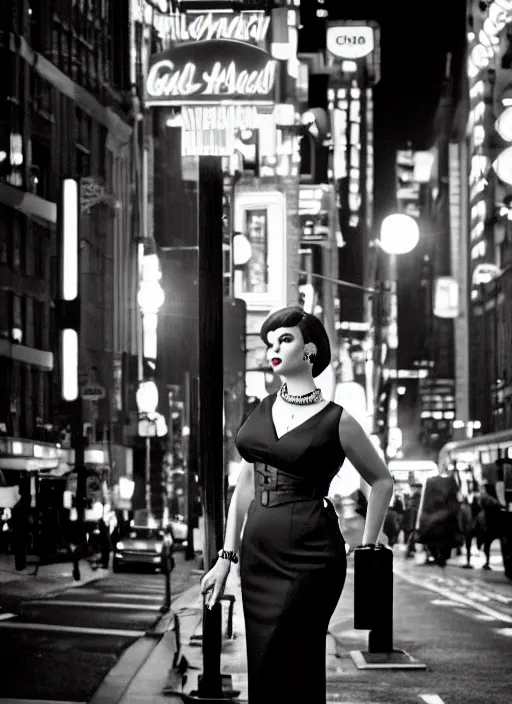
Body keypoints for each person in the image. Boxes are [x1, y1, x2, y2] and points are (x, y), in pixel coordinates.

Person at [200, 307, 394, 703]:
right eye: (270, 342)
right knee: (263, 660)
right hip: (258, 558)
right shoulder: (263, 408)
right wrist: (226, 557)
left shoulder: (337, 421)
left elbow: (382, 480)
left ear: (309, 351)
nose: (274, 348)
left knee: (297, 661)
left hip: (311, 558)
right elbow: (245, 484)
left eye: (284, 339)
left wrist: (367, 546)